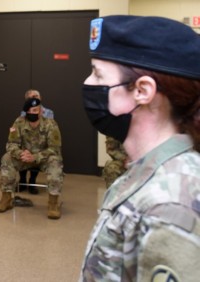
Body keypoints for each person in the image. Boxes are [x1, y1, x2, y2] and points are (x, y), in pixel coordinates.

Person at [80, 15, 200, 281]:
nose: (88, 83)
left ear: (142, 90)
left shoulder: (169, 205)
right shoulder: (149, 172)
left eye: (98, 74)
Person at [0, 97, 64, 219]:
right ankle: (6, 199)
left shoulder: (51, 124)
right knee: (7, 158)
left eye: (35, 110)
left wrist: (35, 157)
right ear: (26, 112)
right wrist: (21, 153)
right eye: (30, 111)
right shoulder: (19, 122)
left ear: (41, 111)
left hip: (43, 159)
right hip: (24, 158)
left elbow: (55, 148)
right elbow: (11, 144)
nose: (33, 113)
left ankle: (53, 203)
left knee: (55, 162)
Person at [18, 89, 54, 194]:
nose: (34, 98)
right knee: (22, 149)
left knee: (38, 150)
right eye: (31, 97)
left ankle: (32, 181)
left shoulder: (49, 112)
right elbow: (21, 129)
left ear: (40, 98)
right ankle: (22, 181)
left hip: (41, 142)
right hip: (27, 142)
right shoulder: (24, 112)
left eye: (36, 96)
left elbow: (50, 129)